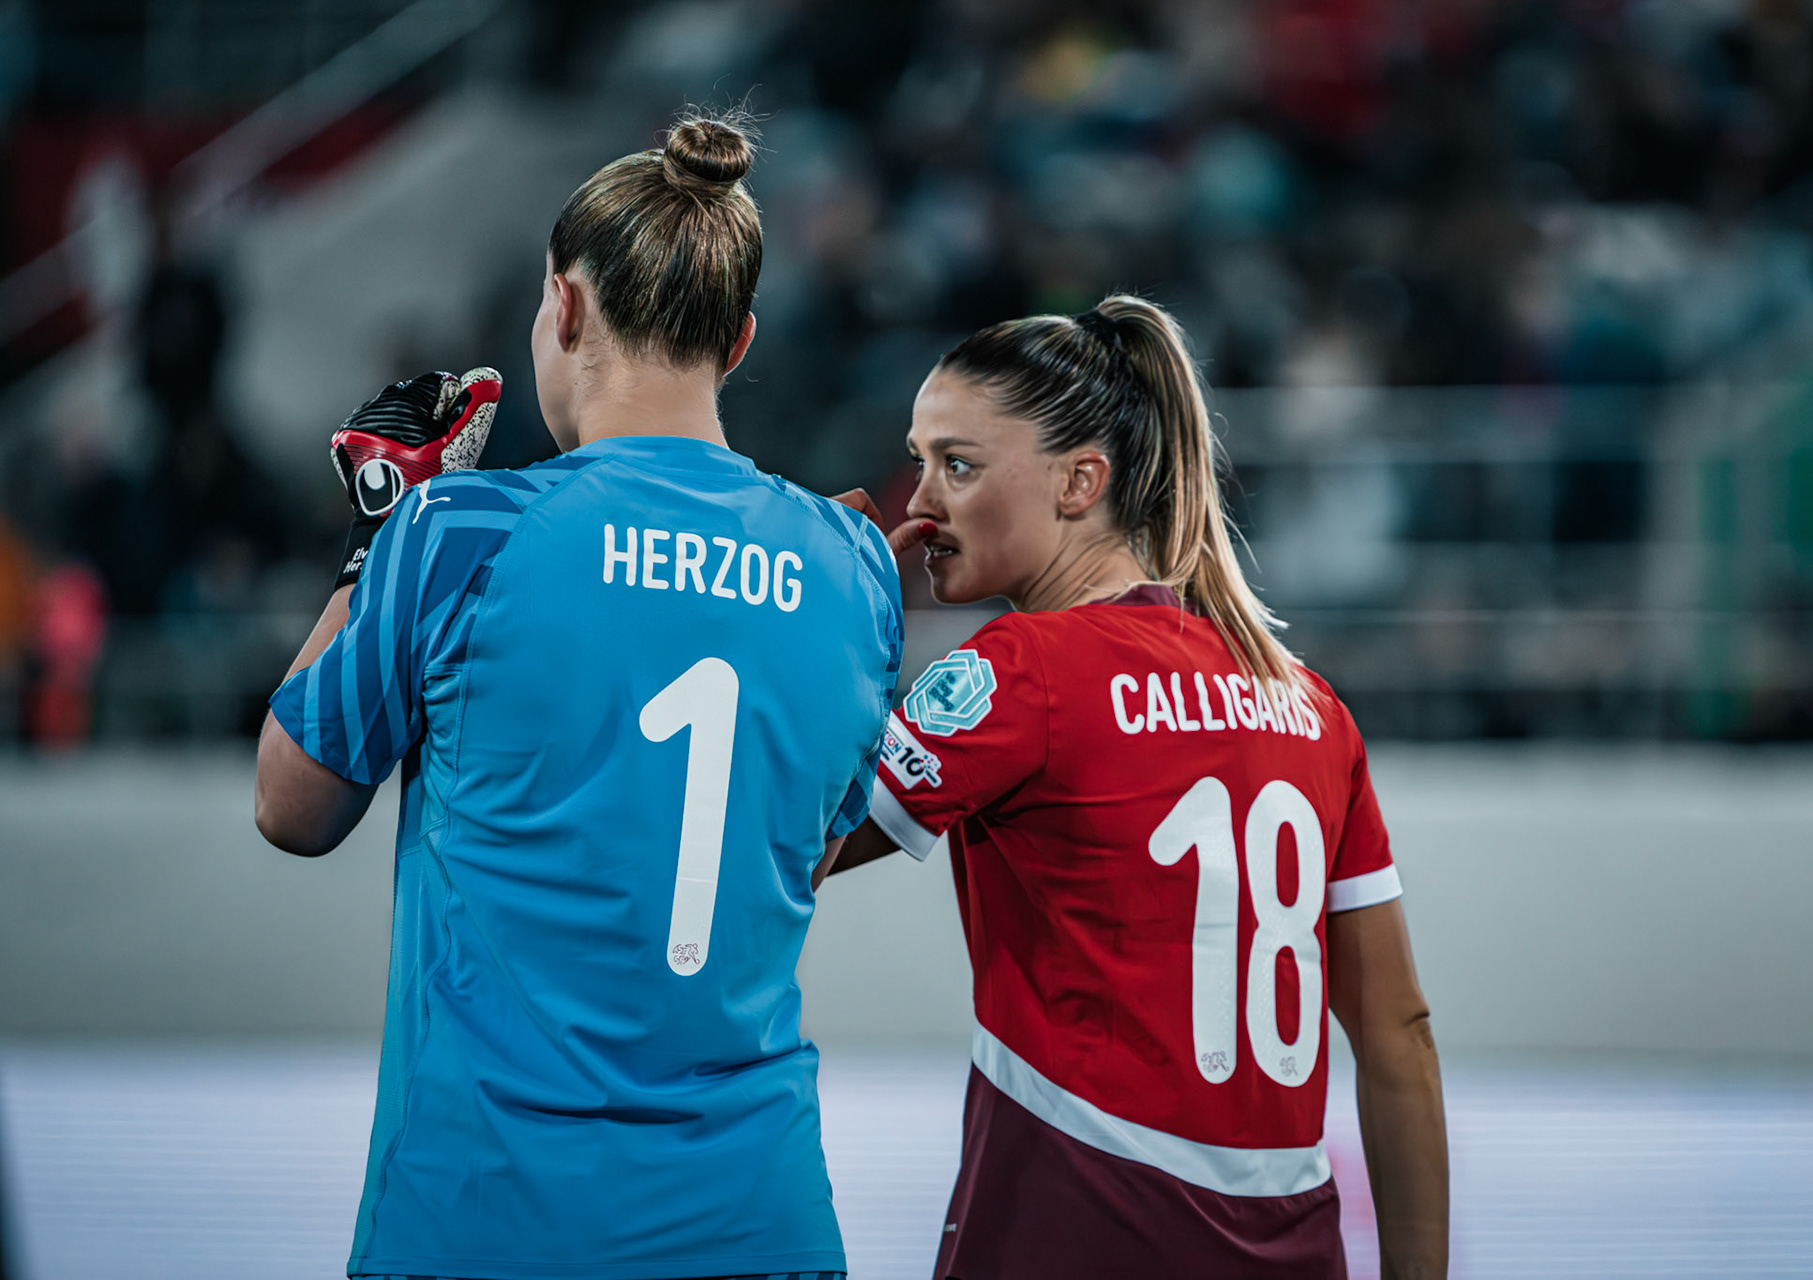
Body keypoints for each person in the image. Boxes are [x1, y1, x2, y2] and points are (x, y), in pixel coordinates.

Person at [254, 115, 901, 1280]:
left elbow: (291, 806)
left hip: (485, 1217)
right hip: (758, 1220)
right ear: (739, 340)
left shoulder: (460, 531)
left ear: (562, 305)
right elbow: (811, 843)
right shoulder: (854, 568)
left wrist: (376, 538)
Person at [829, 295, 1448, 1279]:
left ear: (1081, 481)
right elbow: (1398, 1029)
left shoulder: (1021, 669)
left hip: (1071, 1235)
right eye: (922, 457)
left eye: (959, 463)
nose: (920, 502)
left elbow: (789, 846)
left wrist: (832, 628)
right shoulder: (1309, 703)